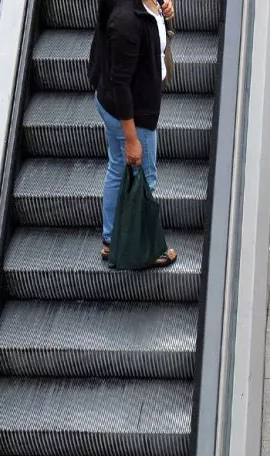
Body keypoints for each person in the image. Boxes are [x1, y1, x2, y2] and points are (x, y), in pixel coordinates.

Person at [87, 0, 178, 267]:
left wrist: (165, 10)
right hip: (130, 113)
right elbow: (121, 84)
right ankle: (142, 249)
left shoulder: (150, 4)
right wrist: (131, 138)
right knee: (145, 179)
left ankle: (111, 241)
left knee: (117, 167)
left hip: (112, 101)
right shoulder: (126, 21)